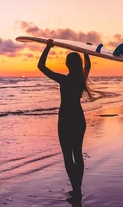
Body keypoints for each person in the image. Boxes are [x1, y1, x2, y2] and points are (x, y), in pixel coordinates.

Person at [38, 39, 91, 203]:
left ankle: (76, 189)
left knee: (68, 157)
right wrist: (86, 51)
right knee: (78, 155)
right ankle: (78, 189)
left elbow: (41, 66)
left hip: (66, 120)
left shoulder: (64, 79)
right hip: (79, 118)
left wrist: (48, 47)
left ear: (67, 64)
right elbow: (87, 66)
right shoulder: (81, 79)